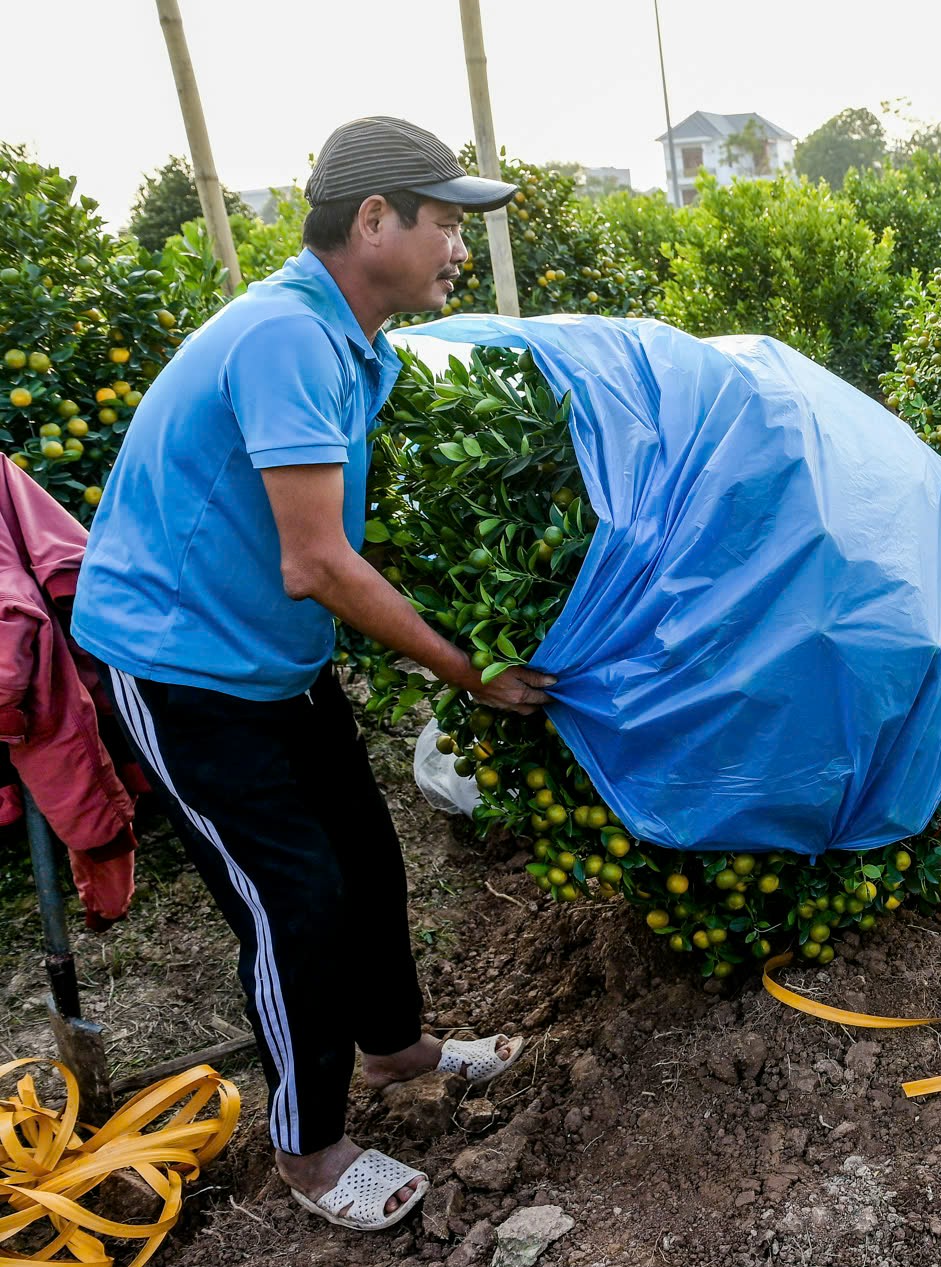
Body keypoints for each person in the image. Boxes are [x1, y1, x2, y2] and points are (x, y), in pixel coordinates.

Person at [72, 117, 557, 1233]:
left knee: (368, 863)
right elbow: (318, 560)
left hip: (274, 662)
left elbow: (323, 543)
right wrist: (465, 667)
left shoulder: (351, 343)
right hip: (183, 668)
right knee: (294, 900)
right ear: (372, 219)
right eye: (442, 223)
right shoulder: (287, 337)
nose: (454, 248)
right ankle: (308, 1146)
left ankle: (394, 1050)